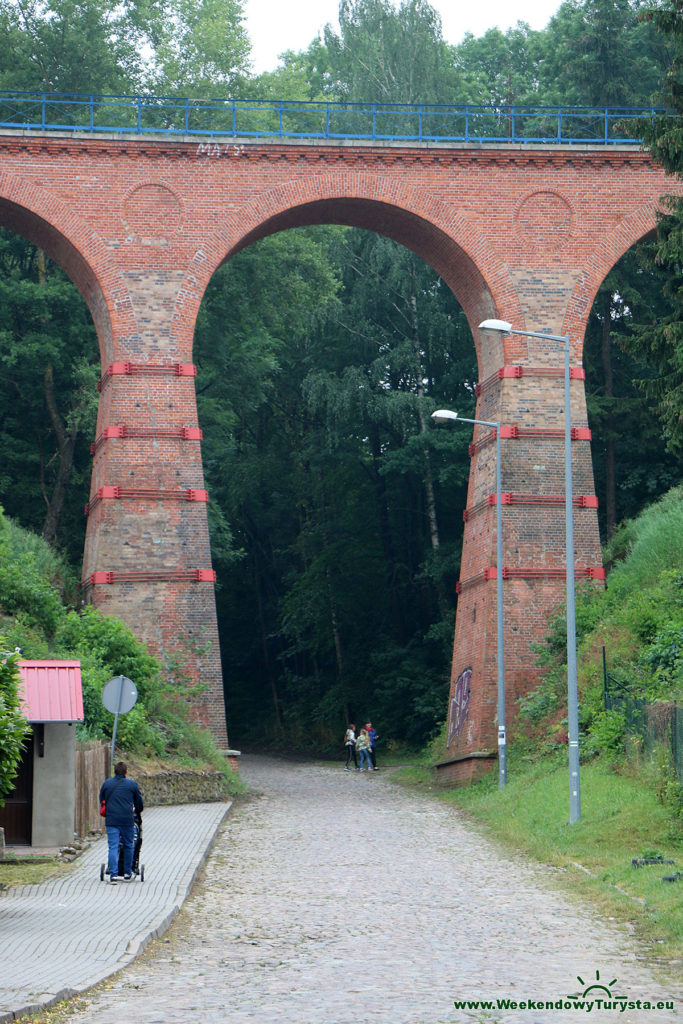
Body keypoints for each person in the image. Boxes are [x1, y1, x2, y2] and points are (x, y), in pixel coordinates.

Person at [99, 760, 144, 884]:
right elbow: (139, 803)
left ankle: (113, 875)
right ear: (126, 772)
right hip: (127, 820)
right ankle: (127, 873)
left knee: (113, 846)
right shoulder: (132, 785)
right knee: (129, 845)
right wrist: (136, 810)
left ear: (114, 771)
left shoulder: (107, 784)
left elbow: (102, 799)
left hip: (112, 819)